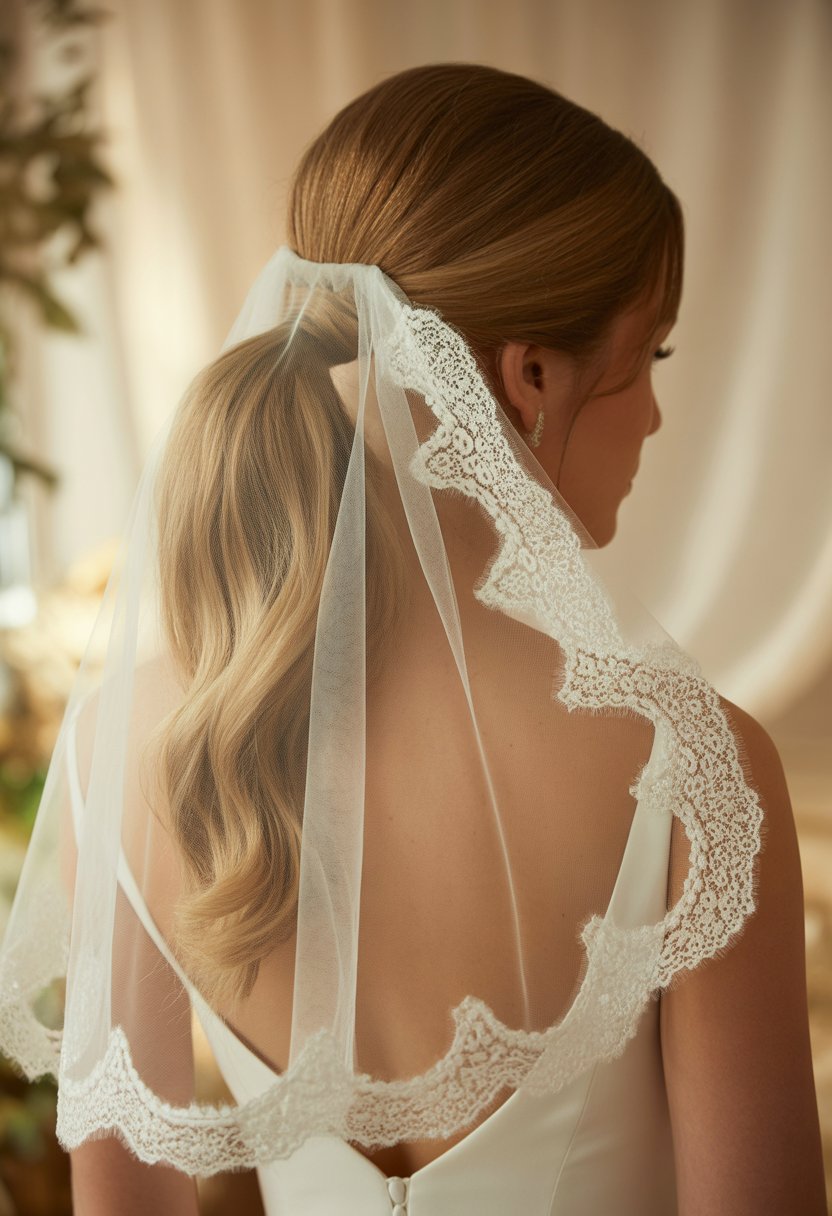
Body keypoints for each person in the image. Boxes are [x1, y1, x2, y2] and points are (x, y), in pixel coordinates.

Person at [1, 63, 826, 1215]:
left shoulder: (124, 746)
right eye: (651, 356)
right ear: (530, 376)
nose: (651, 413)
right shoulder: (697, 774)